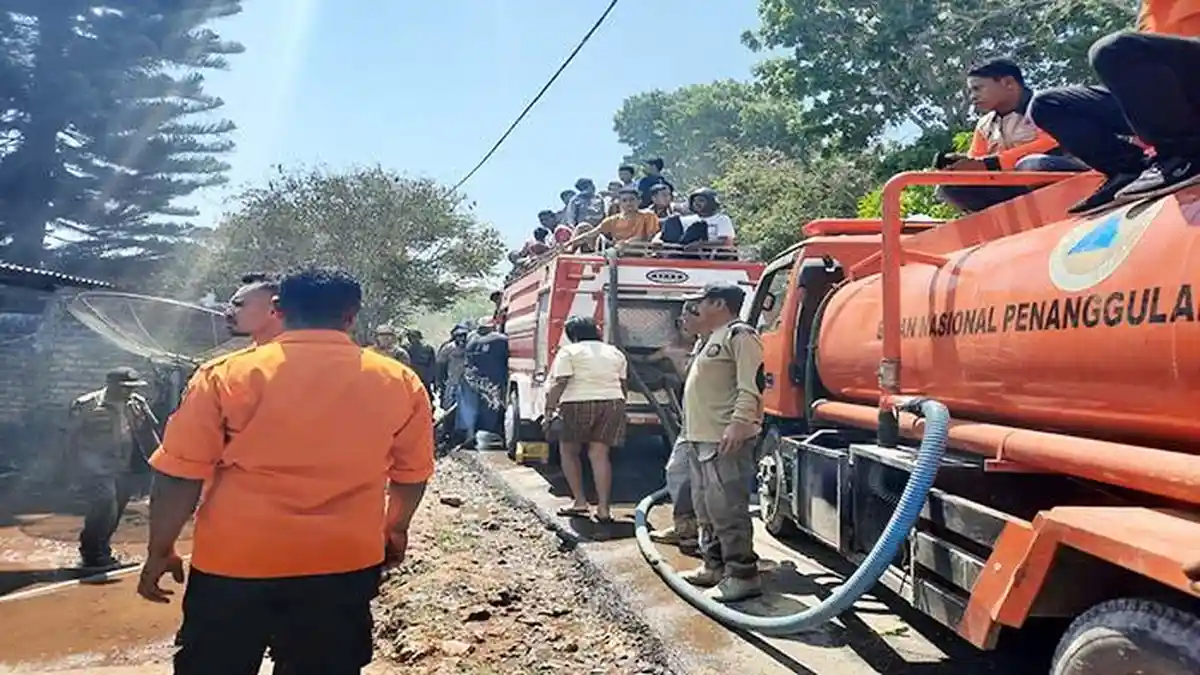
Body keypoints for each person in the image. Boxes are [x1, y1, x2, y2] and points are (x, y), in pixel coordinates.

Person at [139, 265, 434, 675]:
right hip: (342, 562)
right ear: (351, 315)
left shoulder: (226, 375)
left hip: (234, 564)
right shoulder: (399, 381)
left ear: (278, 308)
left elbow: (179, 474)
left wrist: (160, 548)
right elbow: (411, 473)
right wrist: (394, 529)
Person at [1031, 4, 1200, 214]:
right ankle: (1129, 169)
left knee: (1112, 49)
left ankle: (1186, 154)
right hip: (1166, 93)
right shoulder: (1150, 12)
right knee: (1047, 105)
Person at [676, 282, 765, 603]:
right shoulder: (710, 339)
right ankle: (714, 565)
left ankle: (742, 575)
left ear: (718, 303)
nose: (695, 309)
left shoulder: (740, 335)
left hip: (724, 439)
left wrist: (740, 422)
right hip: (701, 438)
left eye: (700, 302)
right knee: (705, 507)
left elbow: (750, 383)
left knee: (728, 508)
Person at [933, 59, 1086, 214]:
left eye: (978, 89)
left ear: (1008, 83)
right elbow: (978, 161)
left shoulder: (1045, 105)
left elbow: (1051, 142)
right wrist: (961, 165)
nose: (972, 97)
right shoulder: (984, 125)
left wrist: (993, 163)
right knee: (949, 186)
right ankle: (1009, 216)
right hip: (1016, 187)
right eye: (971, 91)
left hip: (1062, 172)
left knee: (1031, 165)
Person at [65, 367, 161, 570]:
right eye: (124, 388)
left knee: (116, 508)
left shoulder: (137, 404)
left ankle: (102, 549)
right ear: (111, 385)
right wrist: (71, 469)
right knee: (105, 502)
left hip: (125, 465)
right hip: (94, 466)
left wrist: (160, 460)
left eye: (133, 387)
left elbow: (147, 433)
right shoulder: (87, 405)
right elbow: (68, 438)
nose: (129, 392)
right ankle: (91, 553)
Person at [543, 316, 628, 523]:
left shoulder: (569, 352)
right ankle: (604, 508)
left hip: (577, 403)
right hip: (612, 402)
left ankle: (580, 502)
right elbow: (623, 383)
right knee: (599, 455)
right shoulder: (614, 352)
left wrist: (548, 410)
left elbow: (560, 382)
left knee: (569, 451)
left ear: (571, 334)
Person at [649, 303, 705, 555]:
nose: (685, 325)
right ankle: (684, 527)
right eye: (681, 322)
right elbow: (645, 362)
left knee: (706, 482)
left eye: (688, 319)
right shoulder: (670, 349)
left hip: (708, 420)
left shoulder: (716, 342)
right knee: (678, 471)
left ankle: (702, 536)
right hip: (689, 412)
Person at [461, 318, 508, 449]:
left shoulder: (471, 339)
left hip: (471, 380)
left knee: (471, 409)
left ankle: (469, 436)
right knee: (494, 407)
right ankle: (501, 435)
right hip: (492, 382)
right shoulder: (500, 339)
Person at [568, 186, 660, 251]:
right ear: (619, 203)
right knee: (583, 226)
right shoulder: (613, 219)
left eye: (632, 199)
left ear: (639, 201)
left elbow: (648, 237)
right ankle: (567, 250)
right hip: (615, 250)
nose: (628, 203)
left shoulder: (648, 215)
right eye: (624, 200)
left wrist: (627, 243)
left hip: (638, 250)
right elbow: (592, 233)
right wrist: (570, 242)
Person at [660, 188, 736, 249]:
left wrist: (700, 244)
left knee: (700, 225)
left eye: (701, 201)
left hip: (709, 254)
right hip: (684, 251)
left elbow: (726, 242)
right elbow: (665, 232)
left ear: (711, 202)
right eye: (694, 201)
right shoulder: (687, 219)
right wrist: (657, 240)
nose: (696, 203)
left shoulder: (722, 219)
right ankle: (670, 253)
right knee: (673, 219)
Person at [226, 273, 284, 345]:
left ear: (273, 310)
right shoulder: (252, 354)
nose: (228, 313)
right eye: (229, 306)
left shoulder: (295, 353)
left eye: (238, 304)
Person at [437, 325, 470, 409]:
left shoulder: (471, 346)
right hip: (453, 382)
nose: (461, 338)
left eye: (463, 335)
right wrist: (440, 380)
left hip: (468, 383)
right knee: (449, 406)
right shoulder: (448, 348)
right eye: (459, 336)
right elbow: (440, 365)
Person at [404, 330, 437, 395]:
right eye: (410, 337)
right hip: (410, 377)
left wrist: (433, 380)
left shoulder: (428, 348)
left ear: (419, 337)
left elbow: (432, 365)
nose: (411, 339)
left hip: (424, 378)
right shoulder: (405, 348)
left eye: (414, 337)